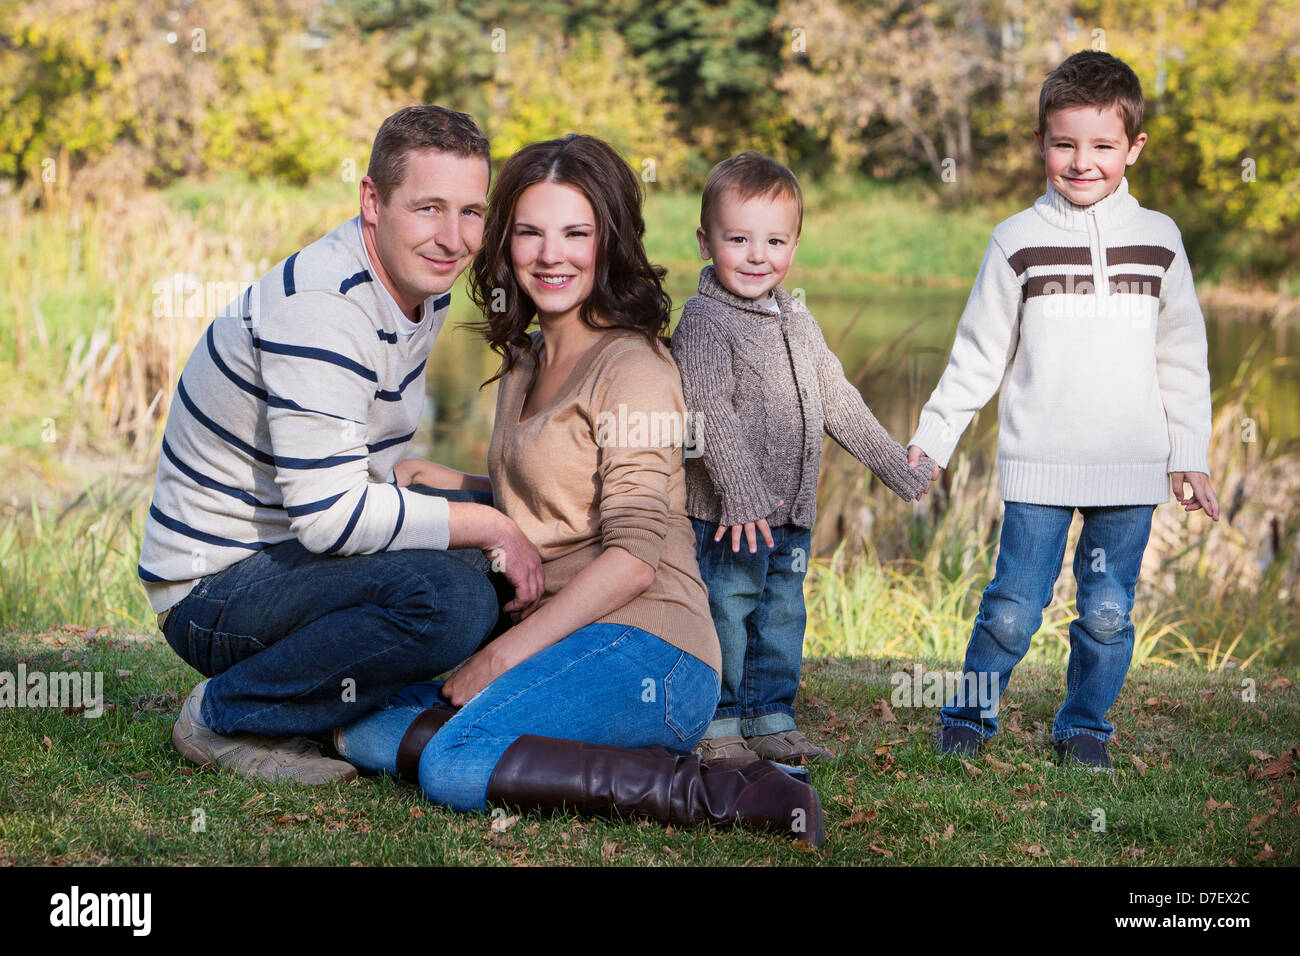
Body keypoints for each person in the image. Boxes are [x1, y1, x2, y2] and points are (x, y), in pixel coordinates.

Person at [335, 134, 826, 845]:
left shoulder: (632, 368)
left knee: (453, 764)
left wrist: (497, 659)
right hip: (562, 639)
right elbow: (560, 502)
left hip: (652, 647)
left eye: (575, 232)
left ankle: (719, 790)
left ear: (608, 241)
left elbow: (632, 557)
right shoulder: (526, 359)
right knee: (358, 726)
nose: (550, 254)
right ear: (505, 243)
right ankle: (554, 749)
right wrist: (457, 488)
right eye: (529, 231)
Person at [139, 105, 544, 785]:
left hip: (286, 554)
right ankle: (225, 714)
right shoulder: (321, 309)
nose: (452, 238)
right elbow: (330, 519)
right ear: (372, 201)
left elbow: (367, 462)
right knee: (451, 598)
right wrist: (492, 523)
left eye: (471, 212)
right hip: (213, 591)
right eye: (429, 208)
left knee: (491, 562)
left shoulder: (418, 288)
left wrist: (497, 506)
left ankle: (338, 710)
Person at [907, 51, 1220, 770]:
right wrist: (933, 440)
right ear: (1042, 143)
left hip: (1130, 471)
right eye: (1064, 144)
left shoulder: (1161, 239)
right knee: (1013, 607)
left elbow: (1183, 355)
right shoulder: (1016, 240)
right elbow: (978, 355)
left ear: (1133, 147)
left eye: (1103, 146)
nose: (1083, 162)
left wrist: (1190, 453)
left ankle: (1085, 725)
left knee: (1108, 614)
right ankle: (971, 712)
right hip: (1039, 468)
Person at [669, 152, 936, 769]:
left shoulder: (797, 319)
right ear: (706, 242)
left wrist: (897, 467)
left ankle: (771, 717)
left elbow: (837, 401)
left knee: (783, 613)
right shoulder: (705, 323)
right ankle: (718, 719)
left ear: (794, 245)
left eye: (774, 240)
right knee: (728, 612)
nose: (757, 255)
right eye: (738, 239)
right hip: (727, 515)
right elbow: (706, 411)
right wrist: (738, 495)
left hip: (790, 514)